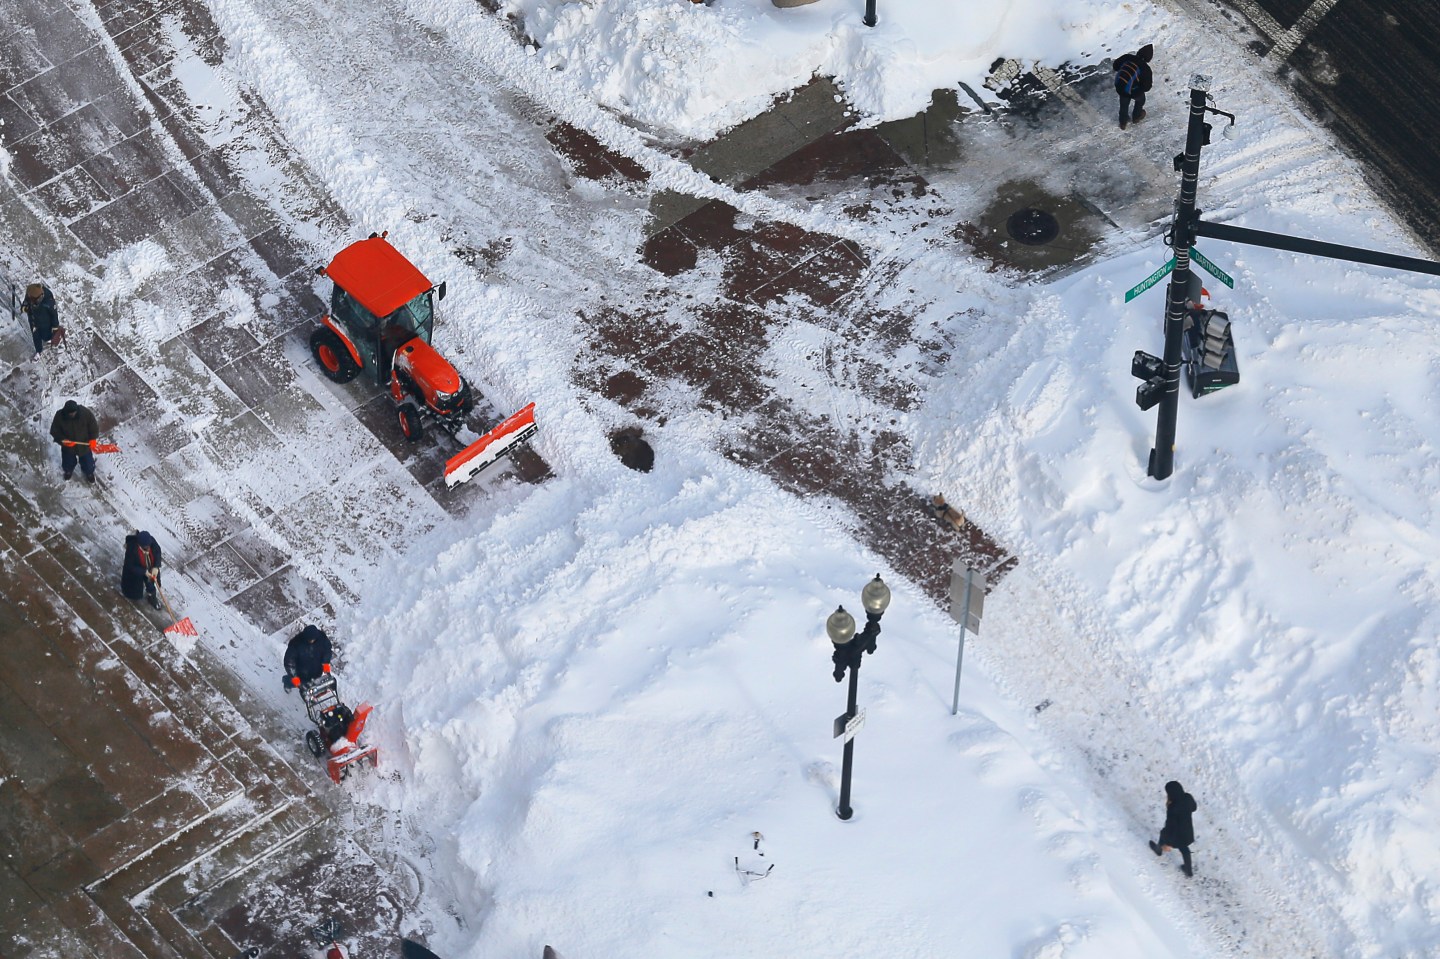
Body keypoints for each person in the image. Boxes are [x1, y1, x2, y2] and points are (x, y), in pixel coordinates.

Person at [1149, 780, 1198, 877]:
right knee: (1184, 848)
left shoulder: (1173, 807)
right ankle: (1189, 871)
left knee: (1163, 833)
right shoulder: (1188, 797)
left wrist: (1169, 844)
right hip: (1187, 832)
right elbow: (1194, 808)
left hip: (1176, 835)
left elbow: (1171, 826)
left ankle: (1158, 850)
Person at [49, 399, 99, 483]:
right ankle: (68, 471)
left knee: (88, 463)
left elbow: (93, 425)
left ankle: (89, 473)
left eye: (74, 412)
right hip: (68, 447)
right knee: (68, 462)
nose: (72, 414)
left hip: (84, 445)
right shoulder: (59, 416)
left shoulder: (84, 413)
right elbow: (54, 431)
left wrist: (93, 438)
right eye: (70, 413)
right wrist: (62, 440)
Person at [1113, 43, 1154, 130]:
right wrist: (1138, 88)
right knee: (1140, 101)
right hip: (1135, 91)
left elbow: (1115, 66)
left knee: (1123, 105)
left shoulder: (1127, 57)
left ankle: (1123, 122)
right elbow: (1147, 87)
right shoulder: (1145, 68)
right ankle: (1136, 116)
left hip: (1121, 87)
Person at [120, 530, 163, 610]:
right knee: (135, 588)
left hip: (151, 568)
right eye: (146, 547)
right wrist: (143, 572)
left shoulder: (151, 542)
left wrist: (156, 567)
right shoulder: (132, 550)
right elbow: (130, 566)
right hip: (139, 569)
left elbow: (157, 552)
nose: (149, 548)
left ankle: (152, 598)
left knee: (151, 585)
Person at [284, 624, 334, 691]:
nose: (312, 641)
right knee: (297, 683)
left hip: (316, 669)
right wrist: (294, 676)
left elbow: (327, 651)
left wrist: (326, 663)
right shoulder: (296, 643)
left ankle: (312, 694)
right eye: (310, 639)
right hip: (301, 671)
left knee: (314, 684)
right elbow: (289, 661)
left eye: (313, 639)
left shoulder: (322, 639)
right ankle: (287, 683)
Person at [20, 283, 58, 359]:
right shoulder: (31, 293)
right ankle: (38, 350)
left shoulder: (48, 300)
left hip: (45, 322)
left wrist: (55, 326)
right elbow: (26, 301)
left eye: (32, 299)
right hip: (33, 320)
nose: (29, 299)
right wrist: (24, 307)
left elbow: (54, 314)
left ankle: (49, 339)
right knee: (35, 336)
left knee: (46, 335)